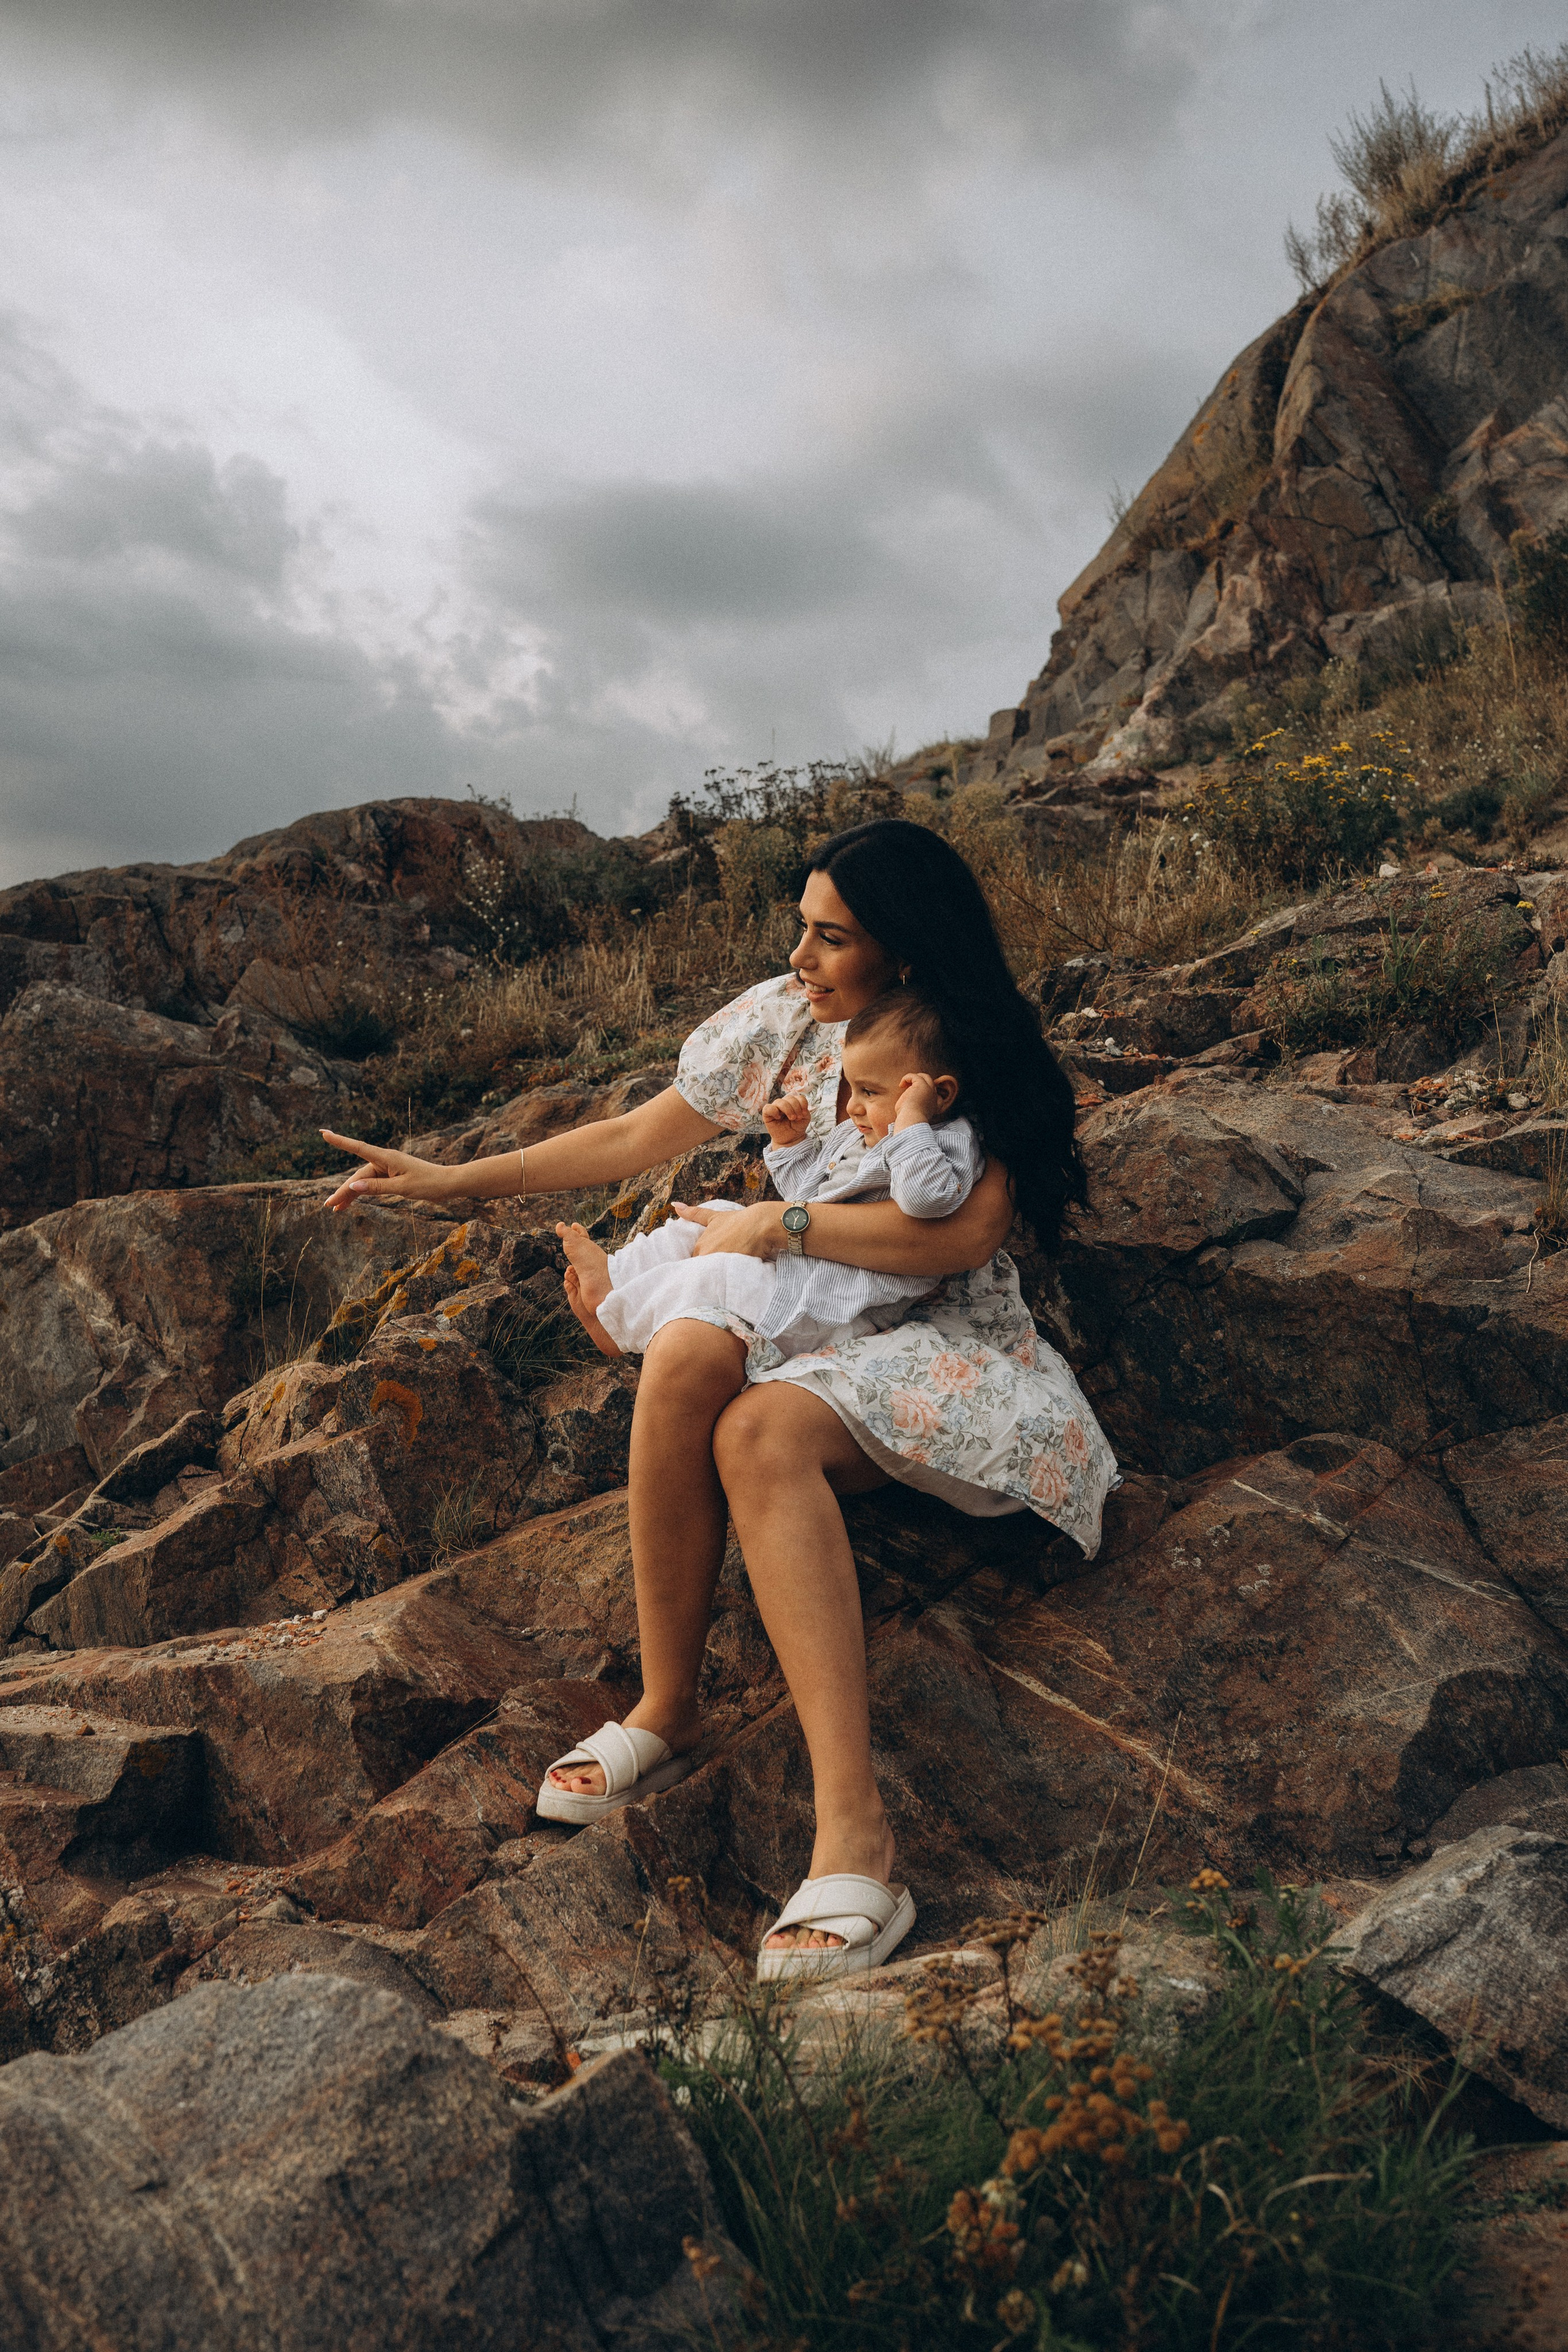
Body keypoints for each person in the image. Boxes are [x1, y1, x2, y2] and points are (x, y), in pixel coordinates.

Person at [320, 817, 1117, 1980]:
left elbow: (967, 1233)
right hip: (810, 1305)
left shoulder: (942, 1041)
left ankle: (858, 1837)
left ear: (901, 951)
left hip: (932, 1330)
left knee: (757, 1431)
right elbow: (645, 1131)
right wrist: (457, 1182)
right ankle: (666, 1704)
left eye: (830, 937)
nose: (801, 956)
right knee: (690, 1345)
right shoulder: (787, 1021)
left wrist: (778, 1218)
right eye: (800, 927)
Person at [555, 984, 983, 1363]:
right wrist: (791, 1144)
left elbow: (925, 1198)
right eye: (852, 1088)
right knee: (715, 1212)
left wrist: (911, 1120)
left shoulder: (945, 1143)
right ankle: (617, 1274)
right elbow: (807, 1199)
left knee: (719, 1277)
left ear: (939, 1093)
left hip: (831, 1308)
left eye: (870, 1092)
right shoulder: (857, 1135)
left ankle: (617, 1323)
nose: (853, 1106)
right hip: (800, 1268)